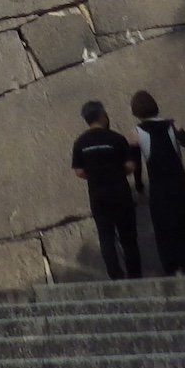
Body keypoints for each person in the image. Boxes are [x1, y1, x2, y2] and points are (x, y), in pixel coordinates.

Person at [70, 100, 143, 279]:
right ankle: (135, 274)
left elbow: (78, 171)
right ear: (102, 116)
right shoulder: (116, 139)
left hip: (97, 195)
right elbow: (130, 166)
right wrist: (117, 170)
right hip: (120, 192)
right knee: (128, 237)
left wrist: (95, 174)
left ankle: (115, 274)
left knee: (106, 236)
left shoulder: (80, 142)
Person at [130, 90, 185, 276]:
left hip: (159, 185)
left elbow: (136, 165)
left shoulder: (136, 133)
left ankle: (171, 266)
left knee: (163, 226)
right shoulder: (173, 124)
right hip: (179, 181)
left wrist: (139, 186)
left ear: (135, 111)